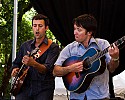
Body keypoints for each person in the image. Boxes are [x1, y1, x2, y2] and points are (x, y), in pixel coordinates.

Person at [53, 14, 119, 100]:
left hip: (99, 97)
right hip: (76, 97)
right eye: (74, 29)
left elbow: (111, 68)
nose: (74, 32)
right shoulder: (69, 48)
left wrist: (115, 58)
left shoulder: (103, 44)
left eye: (78, 30)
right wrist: (70, 68)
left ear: (89, 32)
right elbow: (55, 71)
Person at [10, 14, 60, 100]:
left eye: (40, 26)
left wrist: (33, 63)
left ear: (46, 28)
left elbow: (47, 69)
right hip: (24, 87)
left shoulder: (53, 47)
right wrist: (14, 70)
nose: (37, 29)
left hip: (43, 89)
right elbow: (16, 64)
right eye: (34, 25)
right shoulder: (25, 46)